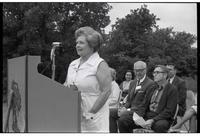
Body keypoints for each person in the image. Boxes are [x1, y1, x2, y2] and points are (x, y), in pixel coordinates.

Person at [63, 26, 112, 132]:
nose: (77, 46)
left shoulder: (100, 64)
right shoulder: (73, 64)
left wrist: (91, 112)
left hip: (95, 119)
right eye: (76, 43)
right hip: (74, 116)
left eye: (81, 43)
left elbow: (106, 91)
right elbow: (67, 85)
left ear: (92, 45)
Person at [118, 65, 178, 133]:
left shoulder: (172, 90)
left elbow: (169, 111)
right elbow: (144, 104)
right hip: (147, 116)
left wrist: (153, 120)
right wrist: (138, 117)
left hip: (160, 118)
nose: (154, 75)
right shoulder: (152, 87)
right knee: (123, 120)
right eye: (154, 72)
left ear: (165, 75)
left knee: (160, 126)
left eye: (157, 72)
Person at [109, 60, 155, 133]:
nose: (138, 73)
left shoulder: (150, 84)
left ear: (145, 70)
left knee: (123, 119)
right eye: (136, 71)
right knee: (111, 113)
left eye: (140, 70)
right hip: (130, 111)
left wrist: (127, 111)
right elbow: (129, 100)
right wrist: (124, 107)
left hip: (140, 113)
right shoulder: (133, 82)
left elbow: (144, 104)